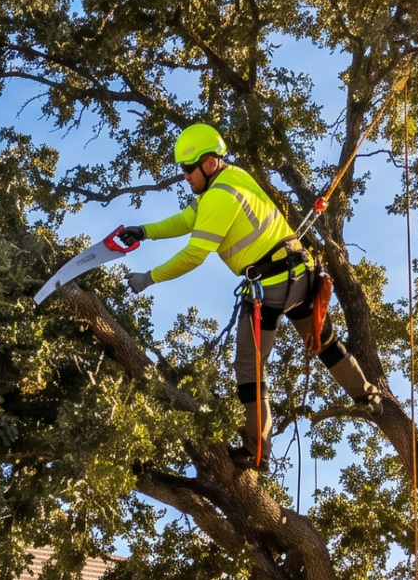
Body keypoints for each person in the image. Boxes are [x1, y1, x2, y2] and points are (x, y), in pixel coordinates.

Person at [121, 124, 387, 463]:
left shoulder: (219, 195)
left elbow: (194, 254)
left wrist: (149, 278)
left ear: (209, 164)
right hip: (301, 276)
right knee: (327, 344)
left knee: (250, 368)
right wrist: (144, 232)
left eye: (188, 169)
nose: (185, 176)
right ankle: (368, 396)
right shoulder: (233, 178)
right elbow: (188, 219)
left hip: (271, 288)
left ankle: (256, 450)